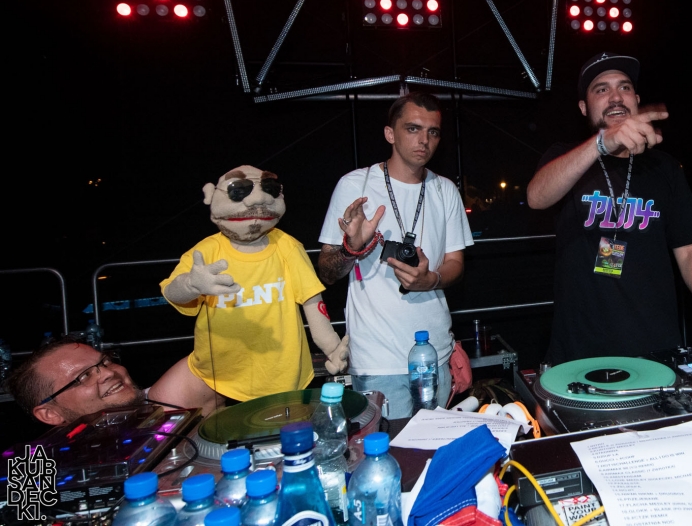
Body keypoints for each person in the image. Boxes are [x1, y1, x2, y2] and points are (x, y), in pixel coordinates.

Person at [527, 52, 692, 364]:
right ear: (584, 107)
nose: (615, 97)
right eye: (601, 89)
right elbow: (537, 196)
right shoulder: (566, 157)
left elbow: (688, 249)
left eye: (624, 87)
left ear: (637, 101)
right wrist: (602, 142)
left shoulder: (665, 167)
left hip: (655, 345)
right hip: (581, 349)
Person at [317, 93, 473, 417]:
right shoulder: (355, 185)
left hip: (435, 354)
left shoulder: (445, 189)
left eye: (433, 132)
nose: (424, 140)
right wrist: (352, 249)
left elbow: (456, 264)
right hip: (378, 360)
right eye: (413, 128)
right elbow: (327, 272)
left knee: (438, 445)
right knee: (386, 445)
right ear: (390, 133)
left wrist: (432, 279)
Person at [161, 165, 348, 404]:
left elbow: (312, 302)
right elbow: (172, 292)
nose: (259, 198)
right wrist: (191, 285)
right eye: (239, 190)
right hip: (218, 375)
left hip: (282, 374)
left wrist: (332, 347)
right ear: (211, 195)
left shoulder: (287, 246)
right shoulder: (206, 250)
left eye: (271, 189)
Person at [6, 335, 220, 427]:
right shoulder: (42, 473)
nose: (108, 373)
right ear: (50, 414)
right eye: (83, 376)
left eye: (106, 361)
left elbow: (222, 351)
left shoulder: (169, 403)